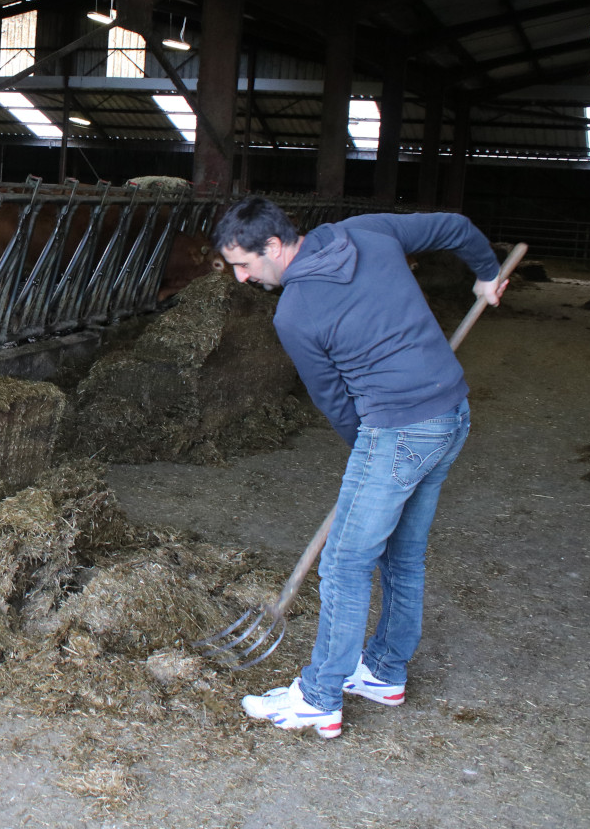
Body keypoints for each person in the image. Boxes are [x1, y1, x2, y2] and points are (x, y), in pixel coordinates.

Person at [211, 196, 505, 739]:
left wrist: (372, 457)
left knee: (344, 564)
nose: (241, 277)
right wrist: (486, 275)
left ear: (273, 246)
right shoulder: (365, 231)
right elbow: (455, 226)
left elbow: (336, 402)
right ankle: (384, 671)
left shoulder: (295, 314)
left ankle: (320, 696)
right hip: (451, 413)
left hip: (399, 429)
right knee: (402, 554)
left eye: (244, 264)